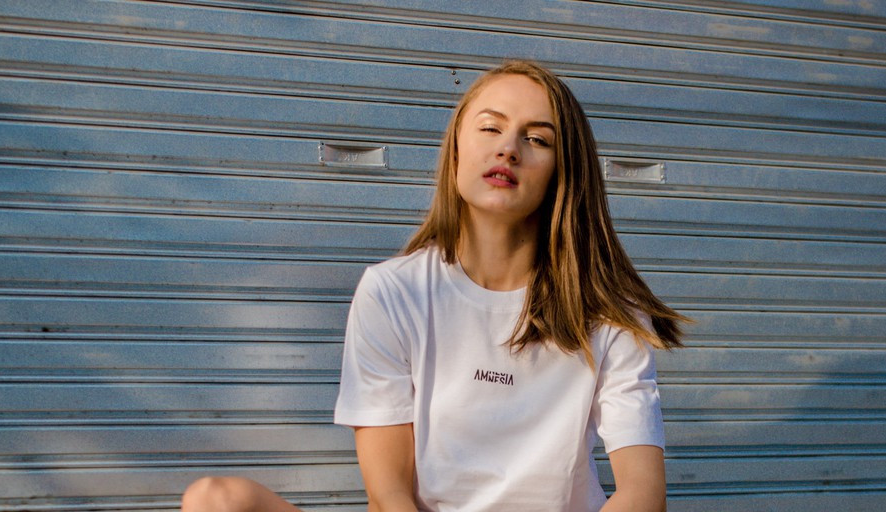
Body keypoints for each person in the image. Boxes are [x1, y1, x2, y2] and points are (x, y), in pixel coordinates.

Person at [181, 60, 686, 512]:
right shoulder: (392, 292)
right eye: (490, 128)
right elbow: (389, 495)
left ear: (563, 171)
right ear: (456, 151)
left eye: (537, 139)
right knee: (215, 501)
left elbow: (643, 495)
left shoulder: (608, 313)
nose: (508, 148)